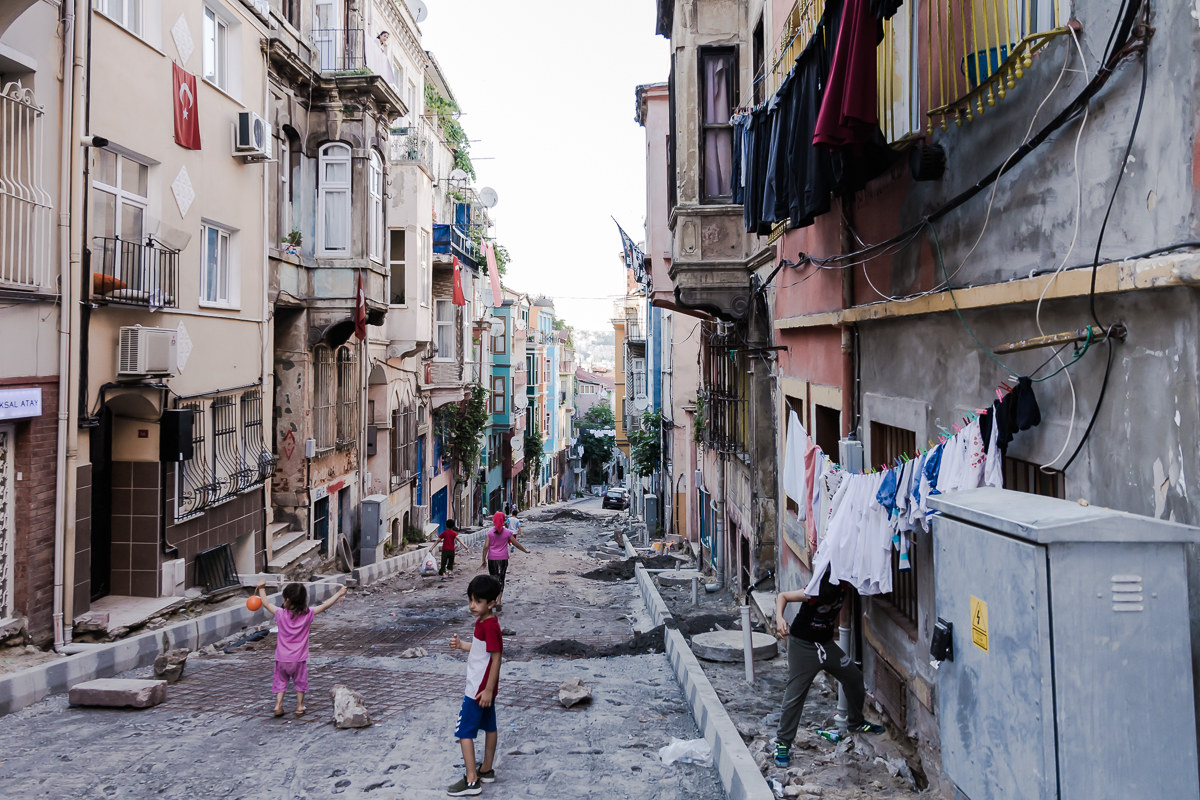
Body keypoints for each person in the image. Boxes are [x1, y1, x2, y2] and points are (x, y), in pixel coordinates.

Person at [771, 570, 884, 767]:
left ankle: (855, 723)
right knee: (796, 693)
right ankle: (782, 743)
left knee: (853, 677)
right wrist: (780, 619)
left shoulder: (845, 584)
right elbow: (783, 596)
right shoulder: (813, 590)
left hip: (826, 645)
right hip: (803, 645)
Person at [446, 575, 505, 796]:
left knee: (464, 732)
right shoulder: (484, 621)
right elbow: (482, 651)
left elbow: (496, 657)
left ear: (491, 603)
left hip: (477, 690)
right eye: (470, 600)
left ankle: (472, 779)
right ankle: (487, 769)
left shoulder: (490, 627)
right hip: (484, 689)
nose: (472, 605)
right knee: (490, 727)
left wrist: (488, 689)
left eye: (478, 601)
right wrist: (462, 645)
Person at [254, 580, 347, 718]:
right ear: (303, 600)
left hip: (281, 658)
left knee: (281, 681)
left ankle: (278, 705)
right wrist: (339, 593)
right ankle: (299, 707)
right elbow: (325, 604)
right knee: (300, 683)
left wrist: (261, 588)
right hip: (299, 660)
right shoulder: (308, 614)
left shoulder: (280, 613)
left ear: (286, 599)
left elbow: (266, 603)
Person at [481, 510, 529, 612]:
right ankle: (498, 601)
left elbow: (486, 547)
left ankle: (493, 600)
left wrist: (483, 560)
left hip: (492, 558)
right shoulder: (507, 533)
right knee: (501, 579)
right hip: (503, 558)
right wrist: (525, 550)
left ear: (494, 520)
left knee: (493, 579)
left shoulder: (489, 533)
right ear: (503, 521)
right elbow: (515, 543)